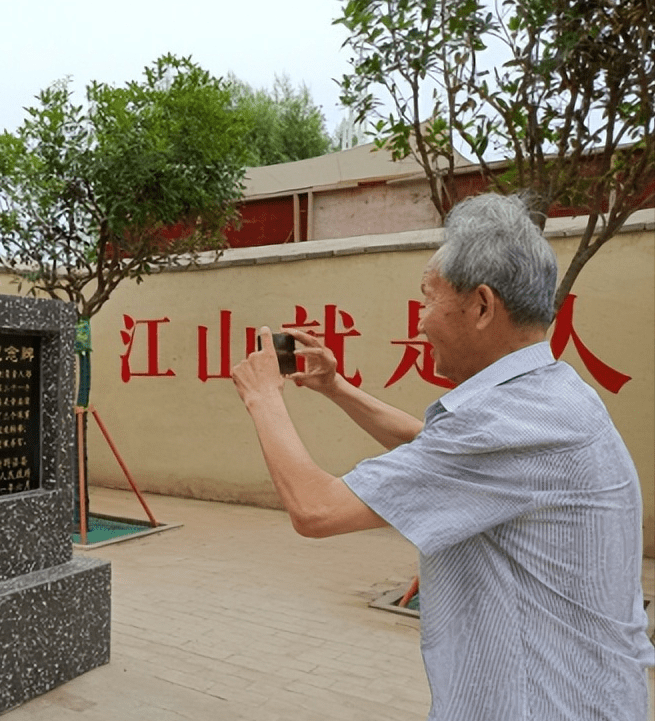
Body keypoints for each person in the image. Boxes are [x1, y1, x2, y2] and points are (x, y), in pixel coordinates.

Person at [232, 193, 653, 720]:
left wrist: (262, 396)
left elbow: (316, 510)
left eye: (428, 300)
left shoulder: (513, 421)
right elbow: (435, 450)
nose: (421, 323)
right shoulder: (549, 396)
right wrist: (337, 388)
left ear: (481, 305)